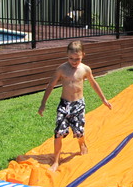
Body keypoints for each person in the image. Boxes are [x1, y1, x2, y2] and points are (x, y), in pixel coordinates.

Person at [38, 41, 113, 171]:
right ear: (66, 55)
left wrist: (104, 100)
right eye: (71, 58)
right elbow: (50, 85)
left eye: (77, 59)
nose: (74, 61)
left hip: (78, 105)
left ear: (83, 55)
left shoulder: (85, 69)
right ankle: (56, 161)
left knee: (78, 132)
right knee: (58, 133)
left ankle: (82, 143)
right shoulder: (62, 69)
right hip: (64, 104)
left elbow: (94, 84)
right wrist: (43, 104)